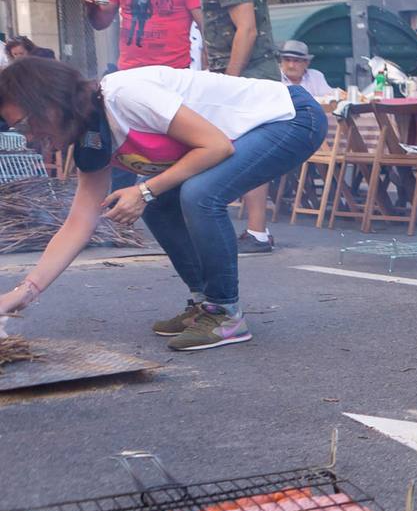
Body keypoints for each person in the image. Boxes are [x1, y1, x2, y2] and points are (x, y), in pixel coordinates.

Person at [0, 57, 326, 351]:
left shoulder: (124, 95)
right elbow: (79, 223)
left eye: (26, 125)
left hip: (290, 117)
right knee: (159, 203)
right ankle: (205, 305)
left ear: (49, 103)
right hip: (253, 131)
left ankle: (225, 313)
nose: (28, 138)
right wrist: (25, 291)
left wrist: (143, 191)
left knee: (198, 194)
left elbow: (215, 146)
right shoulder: (90, 135)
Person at [175, 0, 283, 254]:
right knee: (244, 151)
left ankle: (255, 231)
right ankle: (255, 231)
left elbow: (246, 29)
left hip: (246, 75)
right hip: (248, 73)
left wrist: (229, 83)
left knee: (245, 152)